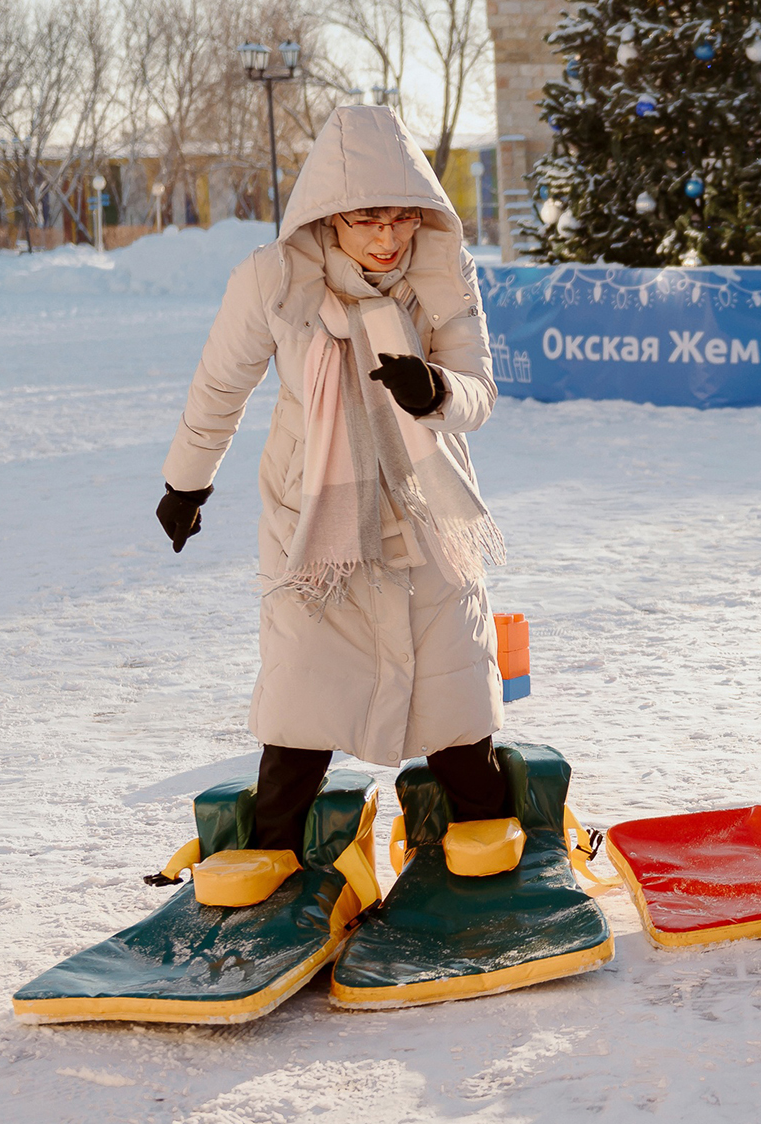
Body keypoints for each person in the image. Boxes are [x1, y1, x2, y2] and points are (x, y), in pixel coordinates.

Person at [154, 105, 507, 854]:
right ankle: (274, 857)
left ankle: (488, 844)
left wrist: (435, 391)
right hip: (314, 513)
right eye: (366, 220)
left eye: (402, 218)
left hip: (426, 509)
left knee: (454, 700)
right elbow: (220, 386)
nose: (388, 238)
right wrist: (187, 483)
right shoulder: (274, 279)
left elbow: (478, 387)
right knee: (302, 700)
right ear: (327, 214)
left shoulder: (442, 270)